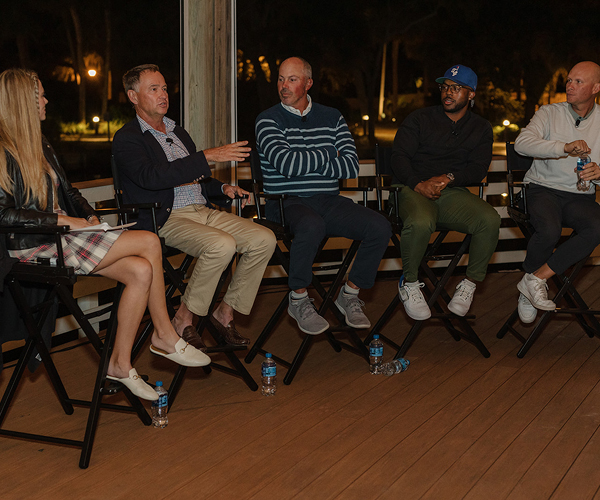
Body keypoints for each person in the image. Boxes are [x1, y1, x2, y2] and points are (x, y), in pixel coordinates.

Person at [0, 68, 210, 401]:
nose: (46, 99)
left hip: (61, 239)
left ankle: (119, 363)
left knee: (141, 270)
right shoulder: (3, 150)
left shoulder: (39, 143)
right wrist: (64, 221)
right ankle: (164, 335)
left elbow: (69, 191)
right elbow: (4, 214)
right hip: (34, 247)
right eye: (40, 94)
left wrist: (89, 216)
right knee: (150, 241)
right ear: (22, 101)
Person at [112, 64, 276, 347]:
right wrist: (208, 155)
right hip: (166, 217)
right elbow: (153, 178)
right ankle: (183, 317)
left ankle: (224, 312)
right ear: (133, 96)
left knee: (264, 238)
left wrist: (222, 187)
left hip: (203, 211)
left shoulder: (178, 132)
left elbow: (196, 178)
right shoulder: (127, 138)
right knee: (221, 245)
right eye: (154, 89)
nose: (163, 94)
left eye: (164, 88)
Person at [255, 57, 392, 335]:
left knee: (380, 226)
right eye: (280, 79)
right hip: (285, 201)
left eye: (292, 79)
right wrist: (330, 152)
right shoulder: (267, 119)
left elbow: (351, 165)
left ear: (308, 83)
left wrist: (306, 160)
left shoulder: (332, 116)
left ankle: (350, 295)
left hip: (328, 200)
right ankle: (299, 298)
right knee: (311, 224)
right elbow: (287, 166)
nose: (284, 86)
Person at [391, 64, 501, 320]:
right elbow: (398, 158)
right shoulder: (420, 119)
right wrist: (418, 183)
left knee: (490, 219)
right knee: (420, 221)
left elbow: (478, 169)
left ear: (471, 94)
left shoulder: (481, 127)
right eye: (445, 87)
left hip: (450, 192)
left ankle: (469, 284)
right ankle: (409, 283)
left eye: (456, 88)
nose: (448, 93)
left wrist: (449, 178)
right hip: (410, 188)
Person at [513, 61, 600, 323]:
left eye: (578, 82)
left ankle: (533, 280)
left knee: (598, 227)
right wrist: (564, 147)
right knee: (549, 229)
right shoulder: (549, 112)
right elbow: (522, 144)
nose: (570, 85)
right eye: (569, 80)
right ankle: (530, 289)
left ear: (596, 88)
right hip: (542, 189)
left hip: (579, 196)